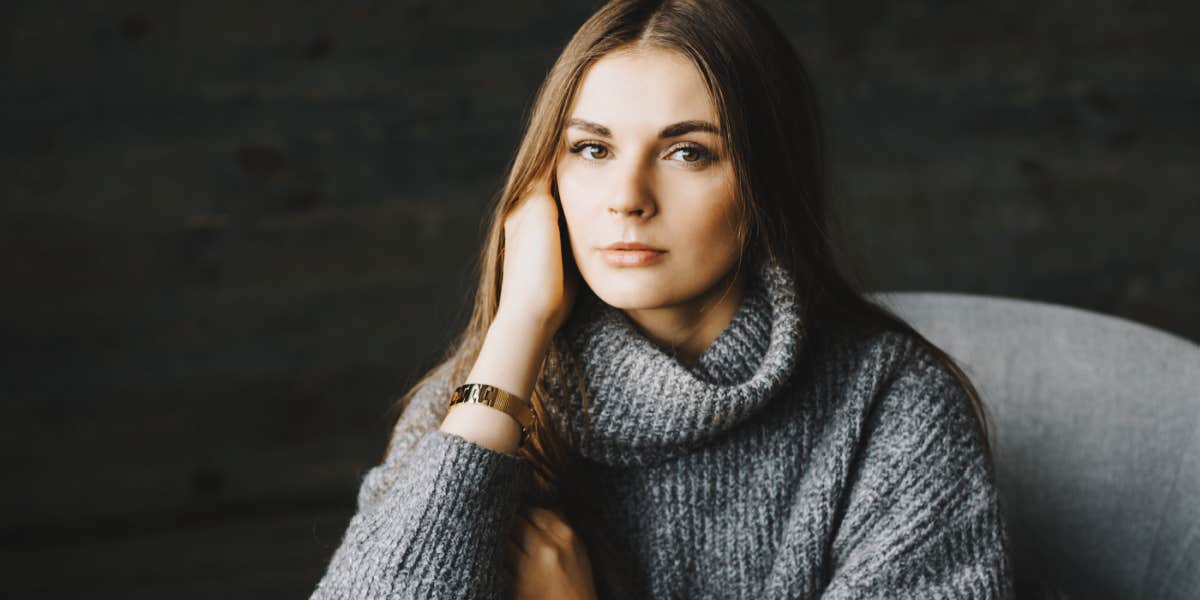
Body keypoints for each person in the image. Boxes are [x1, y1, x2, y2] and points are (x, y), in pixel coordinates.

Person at [309, 0, 1016, 598]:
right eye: (592, 150)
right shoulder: (481, 398)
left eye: (688, 152)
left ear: (766, 182)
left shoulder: (891, 405)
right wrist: (519, 325)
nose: (627, 199)